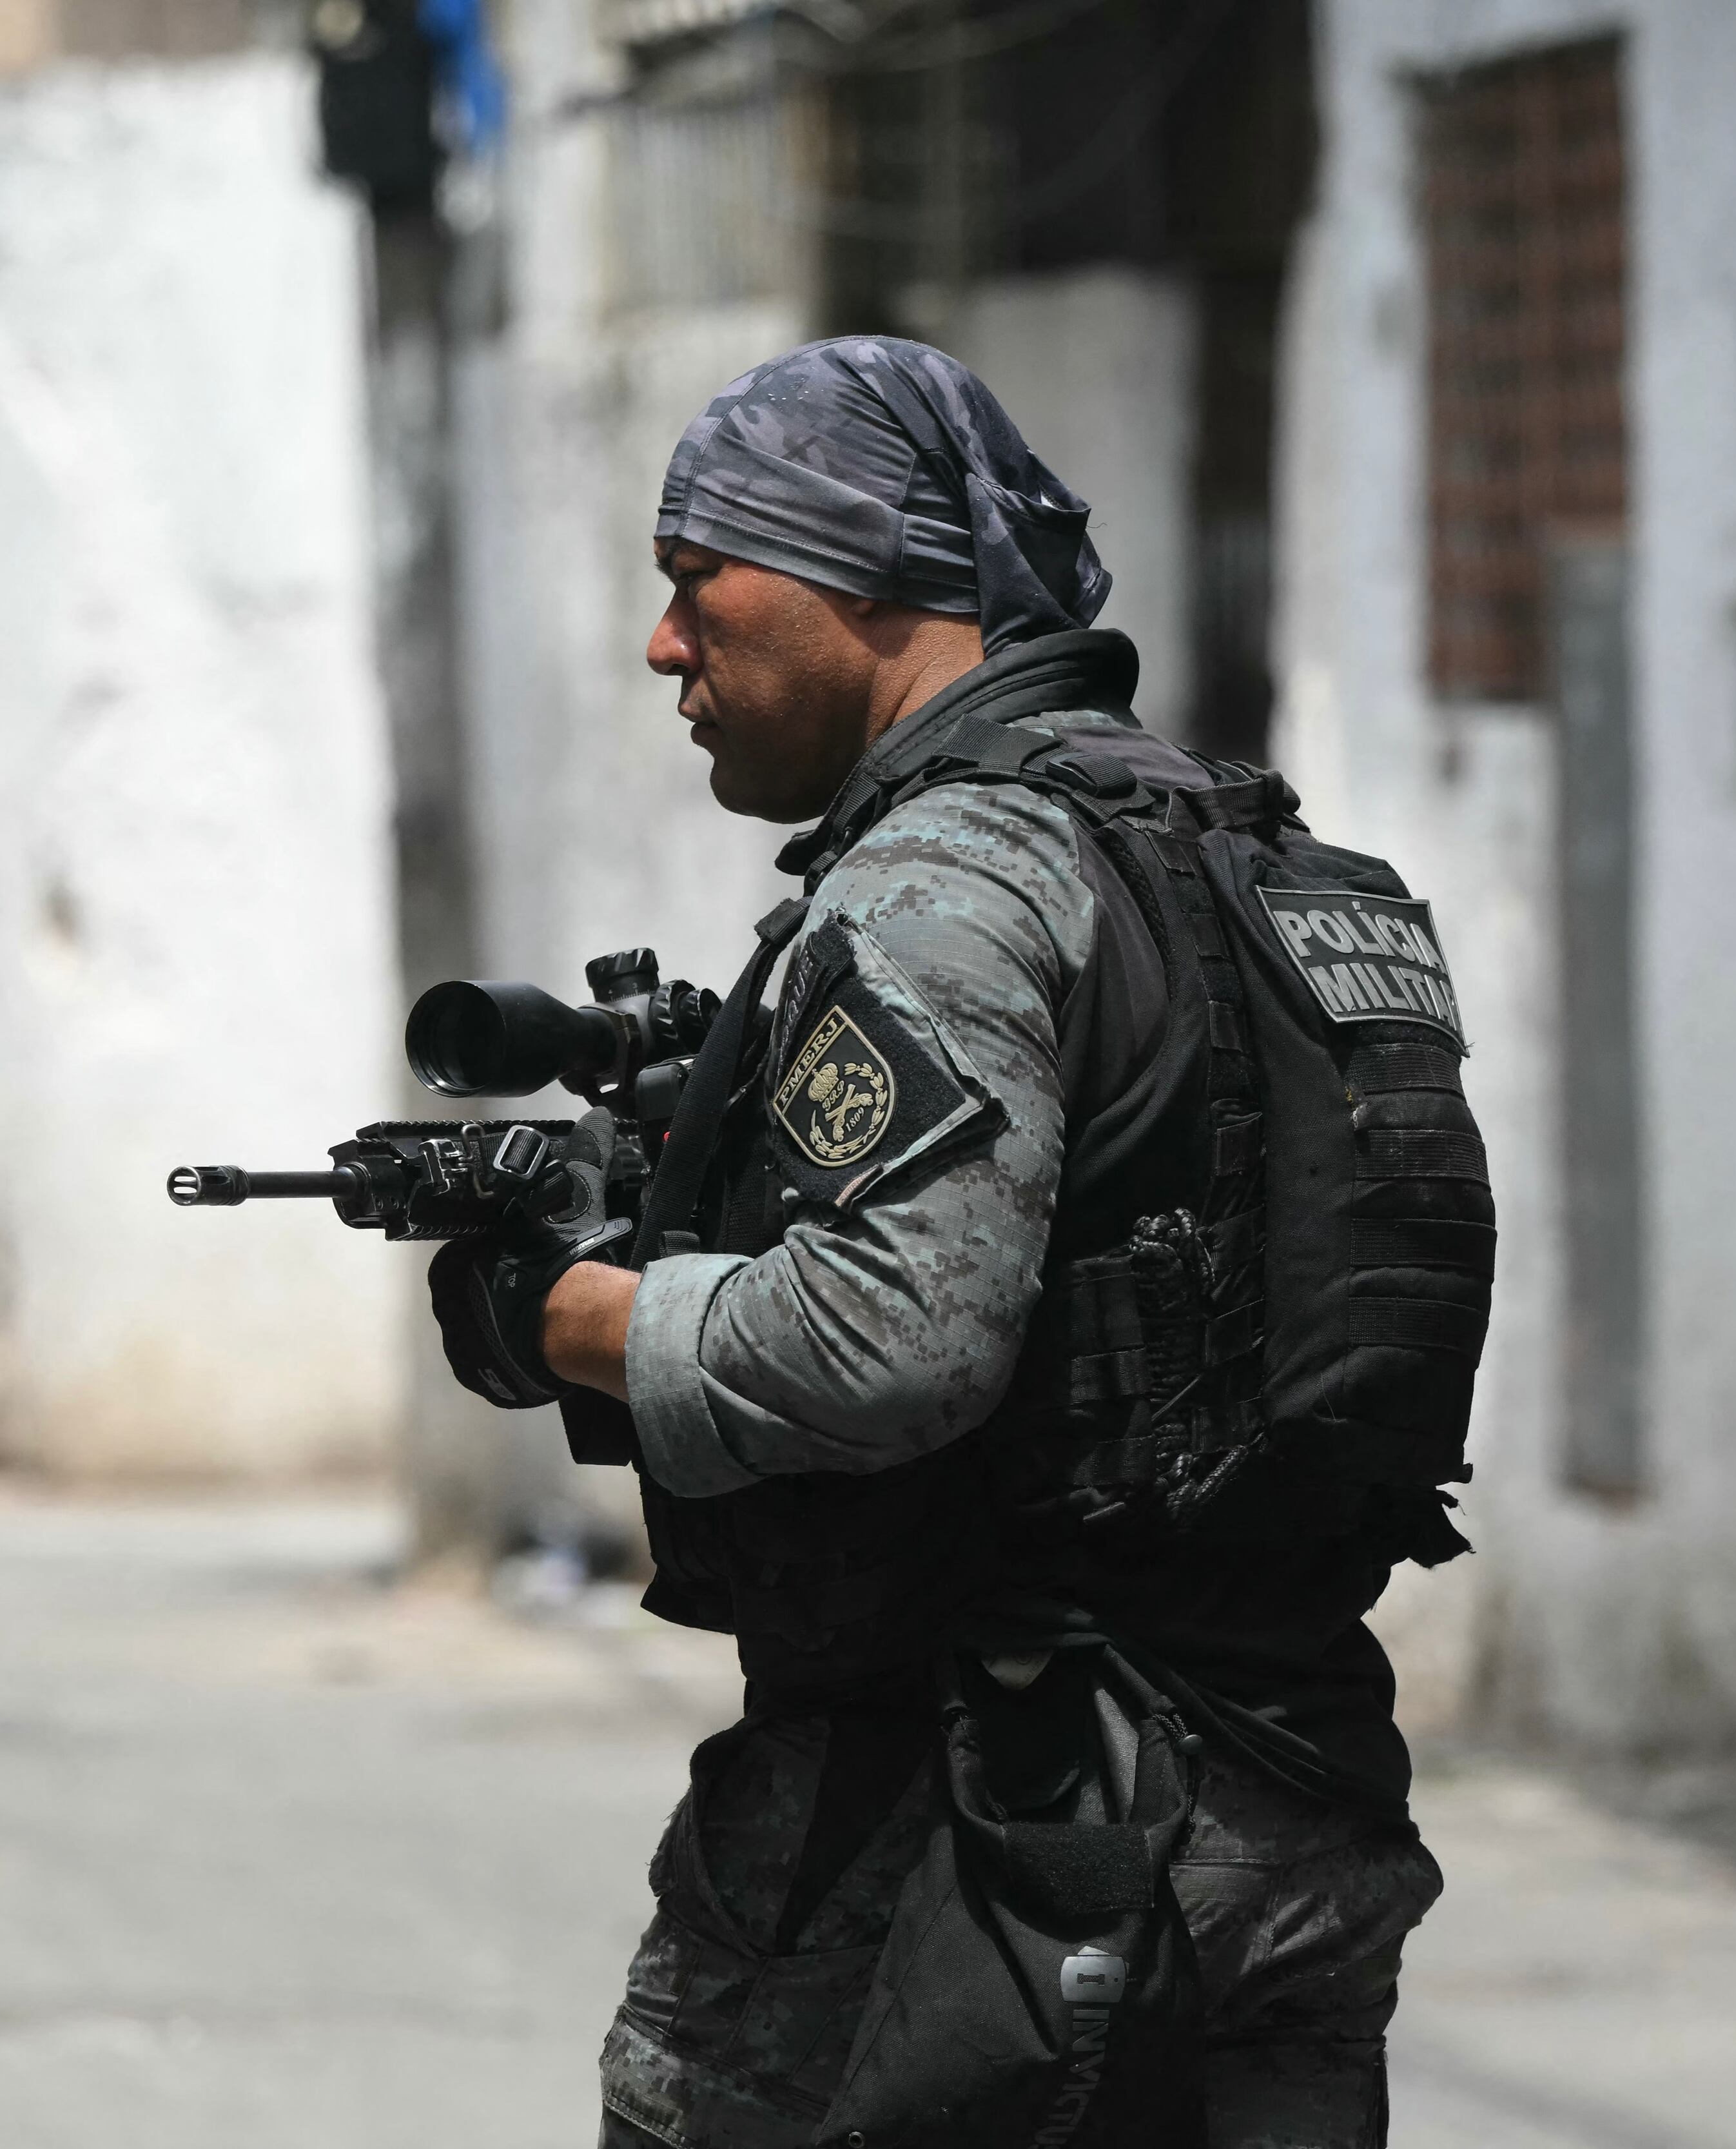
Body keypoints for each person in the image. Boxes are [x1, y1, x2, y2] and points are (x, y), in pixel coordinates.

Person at [429, 340, 1489, 2146]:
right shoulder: (1264, 867)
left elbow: (887, 1337)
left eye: (700, 579)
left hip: (978, 1840)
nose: (665, 643)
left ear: (864, 572)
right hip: (1292, 1805)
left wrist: (568, 1316)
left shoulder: (950, 877)